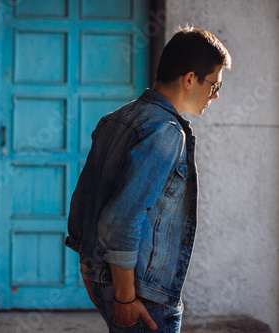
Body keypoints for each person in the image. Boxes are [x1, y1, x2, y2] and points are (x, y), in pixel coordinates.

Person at [65, 26, 232, 333]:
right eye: (214, 86)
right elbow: (122, 217)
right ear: (190, 79)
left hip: (106, 277)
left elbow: (83, 198)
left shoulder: (114, 119)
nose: (215, 96)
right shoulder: (166, 131)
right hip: (139, 290)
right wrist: (126, 297)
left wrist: (88, 268)